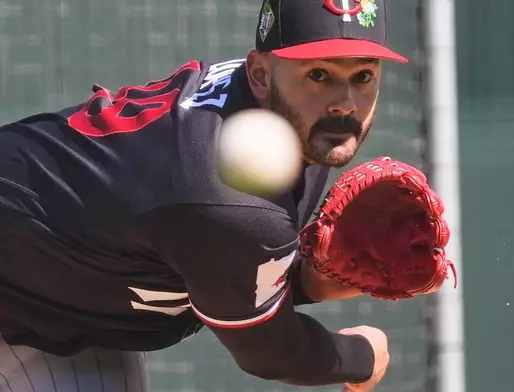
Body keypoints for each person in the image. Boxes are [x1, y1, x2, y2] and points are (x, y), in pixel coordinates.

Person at [0, 0, 409, 390]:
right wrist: (362, 355)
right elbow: (273, 352)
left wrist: (312, 280)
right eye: (319, 74)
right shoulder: (229, 198)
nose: (345, 103)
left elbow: (217, 269)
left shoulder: (289, 121)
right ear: (261, 74)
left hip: (48, 296)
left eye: (363, 76)